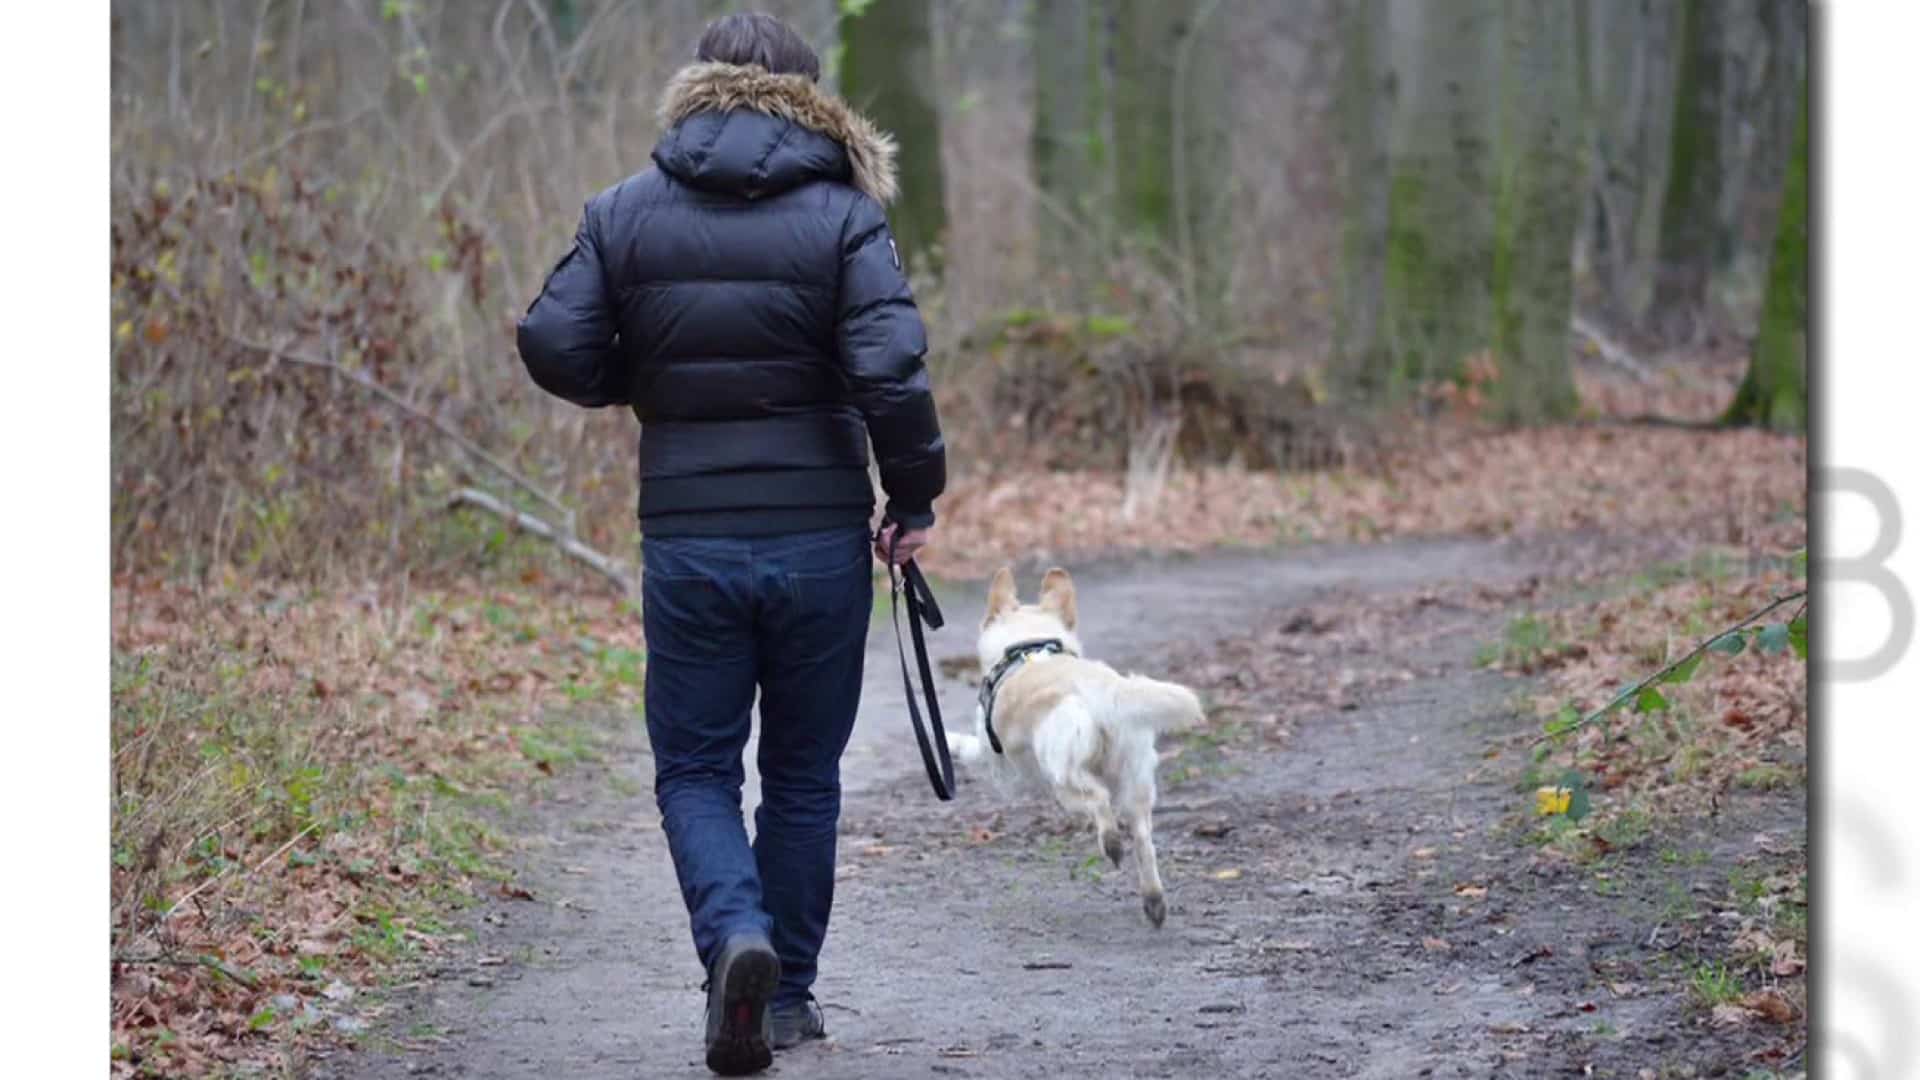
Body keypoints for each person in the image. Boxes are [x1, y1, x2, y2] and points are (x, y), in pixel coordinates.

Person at [514, 12, 945, 1076]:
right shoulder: (847, 217)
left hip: (690, 535)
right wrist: (915, 496)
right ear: (813, 98)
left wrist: (650, 382)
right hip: (816, 538)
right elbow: (891, 369)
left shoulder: (624, 210)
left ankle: (731, 940)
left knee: (697, 769)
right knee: (802, 774)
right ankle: (786, 994)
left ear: (696, 88)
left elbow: (553, 341)